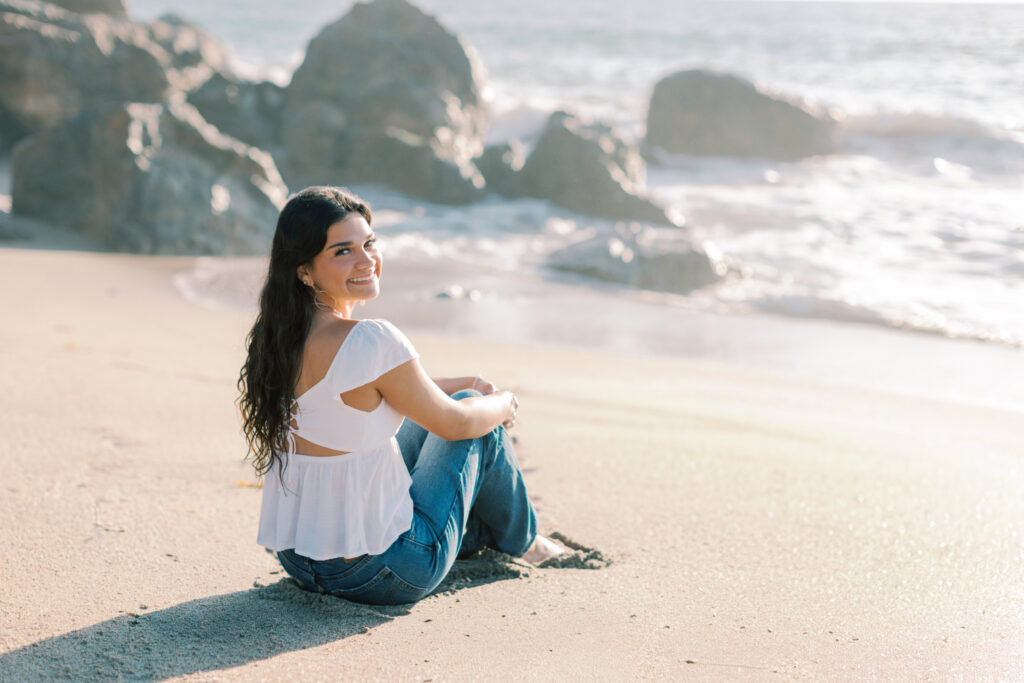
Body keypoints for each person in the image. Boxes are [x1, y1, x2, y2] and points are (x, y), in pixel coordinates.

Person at [238, 186, 562, 605]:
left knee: (462, 398)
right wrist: (503, 404)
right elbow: (455, 424)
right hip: (386, 572)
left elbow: (372, 390)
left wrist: (465, 385)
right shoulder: (372, 340)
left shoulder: (277, 338)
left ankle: (483, 531)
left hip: (302, 560)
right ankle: (527, 543)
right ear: (305, 270)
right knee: (480, 425)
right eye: (342, 251)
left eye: (369, 243)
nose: (366, 260)